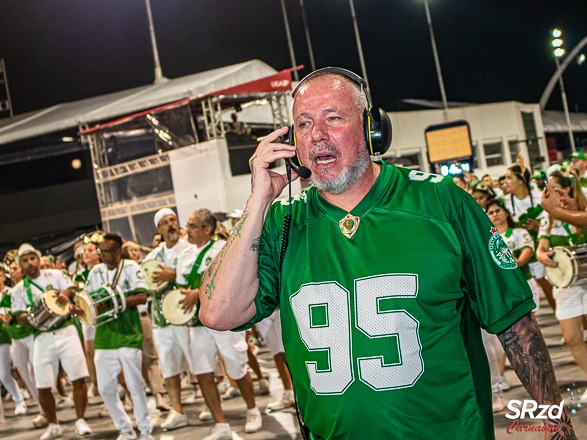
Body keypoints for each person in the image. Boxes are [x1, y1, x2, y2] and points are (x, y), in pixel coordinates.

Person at [198, 67, 575, 439]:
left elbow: (515, 325)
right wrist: (258, 200)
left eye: (333, 118)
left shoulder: (441, 203)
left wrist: (557, 425)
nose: (317, 136)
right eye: (304, 124)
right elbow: (218, 313)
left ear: (371, 128)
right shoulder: (280, 223)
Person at [178, 209, 263, 439]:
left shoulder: (222, 248)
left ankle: (253, 410)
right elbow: (180, 286)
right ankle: (221, 425)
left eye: (192, 226)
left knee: (236, 366)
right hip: (197, 323)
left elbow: (229, 282)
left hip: (224, 320)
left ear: (207, 229)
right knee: (203, 371)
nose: (187, 230)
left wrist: (198, 293)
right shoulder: (184, 255)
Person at [11, 243, 92, 439]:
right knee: (43, 384)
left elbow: (71, 288)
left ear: (38, 259)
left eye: (33, 258)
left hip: (66, 330)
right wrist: (30, 316)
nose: (30, 263)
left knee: (78, 377)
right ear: (21, 265)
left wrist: (65, 294)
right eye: (25, 260)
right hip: (42, 337)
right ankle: (53, 424)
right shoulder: (19, 290)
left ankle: (80, 420)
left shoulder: (55, 275)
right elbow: (19, 316)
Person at [81, 233, 152, 440]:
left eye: (107, 251)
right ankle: (125, 429)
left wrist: (113, 302)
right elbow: (87, 300)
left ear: (118, 250)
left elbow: (141, 296)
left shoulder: (130, 268)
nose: (103, 256)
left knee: (135, 386)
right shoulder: (95, 272)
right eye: (100, 252)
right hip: (104, 338)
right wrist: (79, 308)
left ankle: (146, 432)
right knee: (104, 388)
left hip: (129, 335)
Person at [143, 208, 192, 430]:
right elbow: (145, 282)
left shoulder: (189, 249)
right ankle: (177, 409)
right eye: (165, 222)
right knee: (169, 365)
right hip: (161, 319)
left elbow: (195, 275)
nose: (171, 224)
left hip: (186, 316)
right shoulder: (152, 257)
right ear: (159, 228)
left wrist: (172, 275)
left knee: (198, 363)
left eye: (173, 220)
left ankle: (213, 405)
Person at [537, 171, 587, 388]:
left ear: (566, 189)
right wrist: (542, 256)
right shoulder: (546, 219)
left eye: (556, 187)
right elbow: (541, 247)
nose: (552, 192)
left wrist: (564, 209)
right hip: (566, 284)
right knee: (571, 338)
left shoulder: (580, 207)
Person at [0, 266, 27, 416]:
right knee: (3, 374)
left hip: (14, 336)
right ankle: (19, 400)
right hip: (2, 339)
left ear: (4, 276)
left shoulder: (12, 292)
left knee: (25, 369)